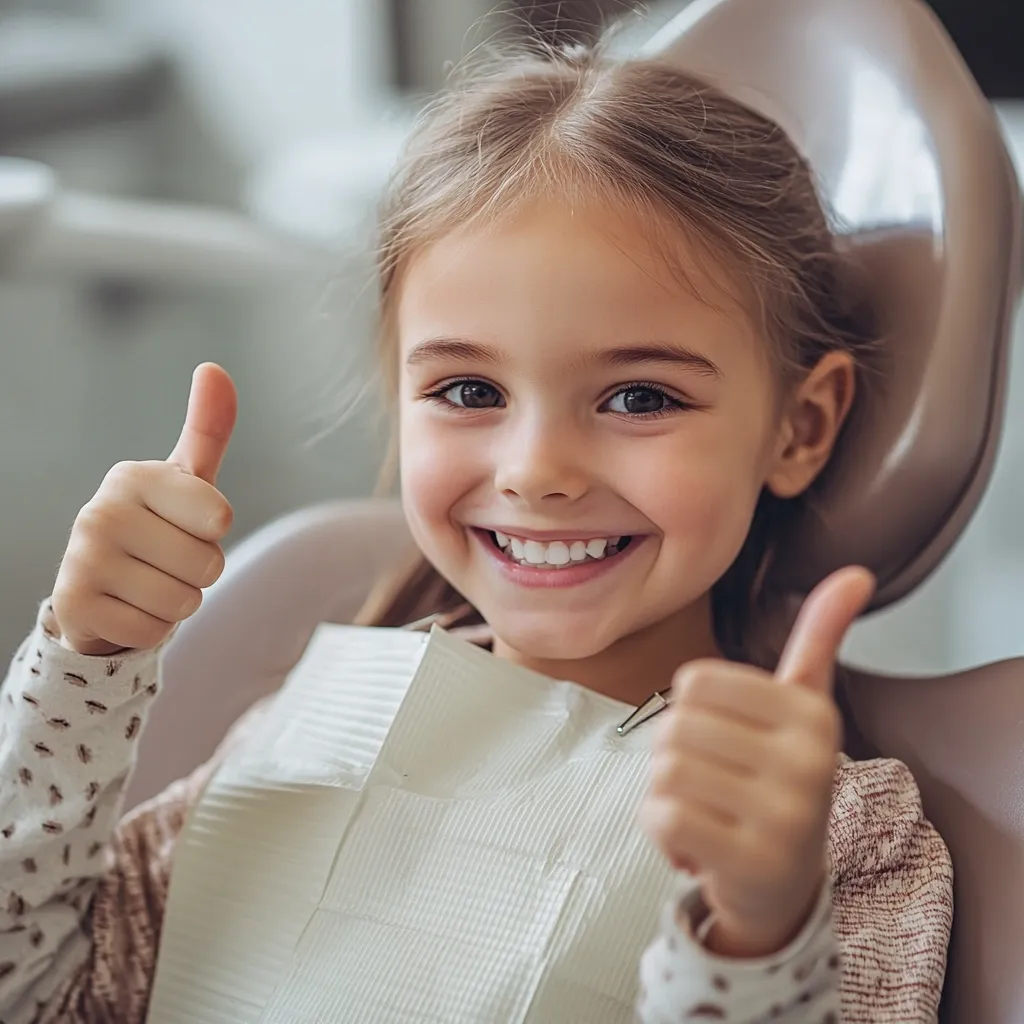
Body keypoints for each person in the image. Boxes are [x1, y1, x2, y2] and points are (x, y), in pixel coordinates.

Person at [0, 38, 951, 1024]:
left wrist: (755, 936)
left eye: (638, 395)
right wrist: (83, 660)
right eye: (467, 390)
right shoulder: (309, 721)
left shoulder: (836, 840)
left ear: (798, 427)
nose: (536, 470)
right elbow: (40, 995)